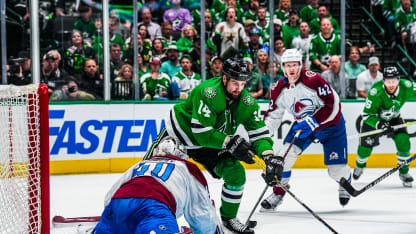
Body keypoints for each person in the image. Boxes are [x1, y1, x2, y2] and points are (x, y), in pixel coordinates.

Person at [144, 57, 284, 234]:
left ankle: (229, 218)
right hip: (179, 134)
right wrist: (229, 142)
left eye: (242, 84)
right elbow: (200, 132)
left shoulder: (247, 103)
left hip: (213, 141)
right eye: (235, 83)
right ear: (224, 78)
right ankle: (139, 209)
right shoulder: (208, 92)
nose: (239, 88)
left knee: (236, 174)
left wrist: (269, 157)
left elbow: (260, 134)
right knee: (149, 172)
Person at [260, 49, 352, 212]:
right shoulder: (279, 89)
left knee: (335, 171)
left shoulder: (314, 80)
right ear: (283, 67)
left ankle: (345, 181)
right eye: (288, 65)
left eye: (295, 64)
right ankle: (279, 192)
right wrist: (260, 137)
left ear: (301, 65)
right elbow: (273, 117)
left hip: (331, 125)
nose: (292, 69)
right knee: (282, 159)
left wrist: (314, 121)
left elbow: (333, 105)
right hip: (304, 126)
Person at [93, 136, 224, 234]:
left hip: (118, 204)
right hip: (154, 208)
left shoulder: (140, 164)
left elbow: (110, 197)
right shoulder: (187, 167)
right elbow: (200, 213)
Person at [353, 66, 416, 187]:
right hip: (374, 120)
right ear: (383, 81)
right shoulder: (375, 92)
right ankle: (360, 166)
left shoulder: (407, 86)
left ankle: (404, 173)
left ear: (398, 80)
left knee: (403, 141)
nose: (391, 84)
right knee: (365, 149)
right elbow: (367, 115)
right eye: (388, 81)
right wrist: (379, 124)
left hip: (394, 118)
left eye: (394, 81)